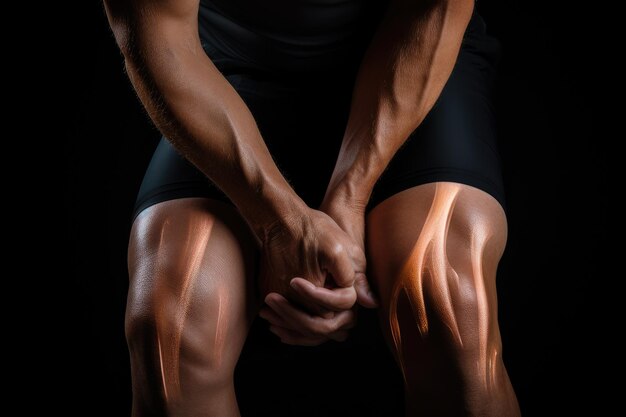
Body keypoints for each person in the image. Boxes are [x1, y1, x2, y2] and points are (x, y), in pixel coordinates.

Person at [103, 0, 521, 415]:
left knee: (449, 311)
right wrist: (281, 225)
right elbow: (162, 41)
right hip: (225, 74)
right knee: (168, 332)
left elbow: (439, 7)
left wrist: (350, 196)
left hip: (409, 51)